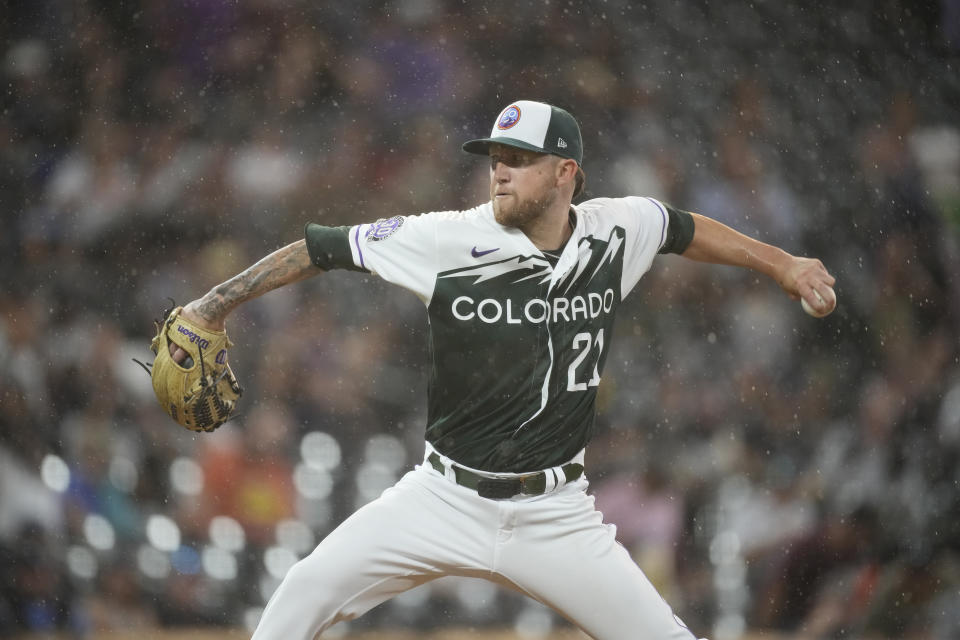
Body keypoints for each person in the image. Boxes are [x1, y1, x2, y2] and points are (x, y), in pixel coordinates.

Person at [168, 100, 836, 640]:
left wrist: (783, 264)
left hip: (555, 512)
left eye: (520, 160)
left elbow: (683, 228)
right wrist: (215, 303)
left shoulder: (617, 228)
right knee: (302, 594)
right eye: (496, 159)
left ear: (566, 172)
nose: (501, 172)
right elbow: (322, 248)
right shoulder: (446, 238)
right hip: (442, 497)